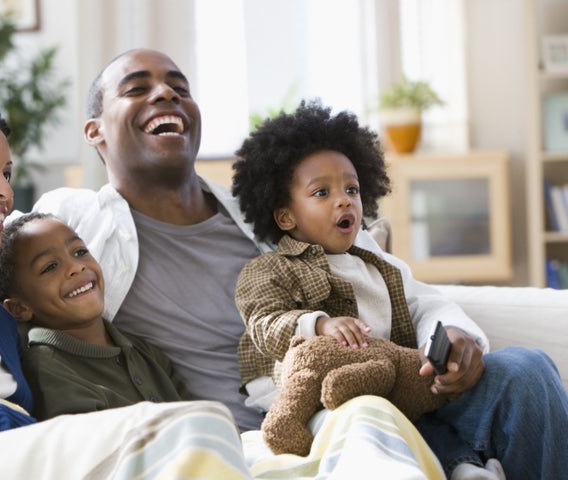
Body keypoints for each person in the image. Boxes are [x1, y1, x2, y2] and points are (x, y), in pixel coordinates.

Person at [33, 48, 568, 479]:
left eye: (178, 85)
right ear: (95, 131)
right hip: (285, 424)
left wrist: (452, 334)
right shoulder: (77, 221)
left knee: (526, 371)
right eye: (137, 88)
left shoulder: (269, 213)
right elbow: (12, 264)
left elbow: (401, 284)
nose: (166, 92)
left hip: (387, 382)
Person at [0, 79, 256, 479]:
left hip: (9, 462)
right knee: (193, 427)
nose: (4, 192)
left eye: (6, 174)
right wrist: (46, 436)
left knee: (204, 429)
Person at [231, 100, 507, 479]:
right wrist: (319, 324)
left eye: (351, 188)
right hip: (311, 395)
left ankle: (465, 469)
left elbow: (425, 304)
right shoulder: (270, 269)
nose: (344, 199)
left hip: (384, 380)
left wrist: (445, 343)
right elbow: (265, 322)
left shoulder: (378, 265)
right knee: (367, 423)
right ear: (285, 216)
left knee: (425, 424)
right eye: (321, 193)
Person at [0, 212, 187, 419]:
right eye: (50, 267)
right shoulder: (47, 370)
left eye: (79, 251)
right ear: (19, 308)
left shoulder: (145, 353)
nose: (76, 267)